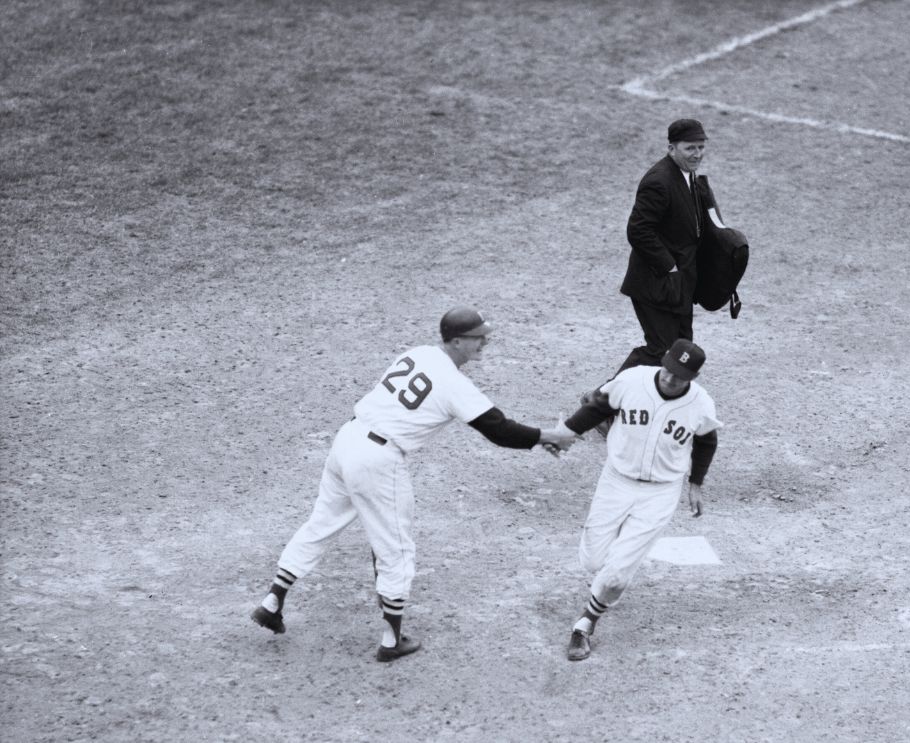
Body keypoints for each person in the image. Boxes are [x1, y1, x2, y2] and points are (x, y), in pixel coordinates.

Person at [250, 307, 576, 662]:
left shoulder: (417, 353)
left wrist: (544, 437)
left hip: (347, 441)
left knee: (321, 523)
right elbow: (500, 430)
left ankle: (272, 602)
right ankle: (392, 641)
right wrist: (551, 436)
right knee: (397, 549)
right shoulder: (454, 385)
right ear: (455, 340)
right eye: (477, 337)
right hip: (377, 460)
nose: (485, 341)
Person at [554, 339, 721, 661]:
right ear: (664, 361)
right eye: (669, 371)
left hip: (660, 492)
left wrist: (696, 484)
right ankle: (611, 572)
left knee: (616, 575)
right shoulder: (632, 380)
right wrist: (566, 435)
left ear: (694, 377)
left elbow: (706, 441)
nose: (671, 379)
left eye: (680, 376)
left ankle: (585, 623)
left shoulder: (701, 404)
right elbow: (598, 409)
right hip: (616, 481)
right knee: (592, 562)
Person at [616, 118, 719, 373]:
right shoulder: (659, 181)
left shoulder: (686, 175)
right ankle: (602, 402)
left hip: (678, 284)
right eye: (690, 148)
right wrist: (670, 267)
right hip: (656, 283)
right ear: (672, 148)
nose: (697, 154)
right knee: (660, 350)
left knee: (681, 349)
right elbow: (638, 230)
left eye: (700, 147)